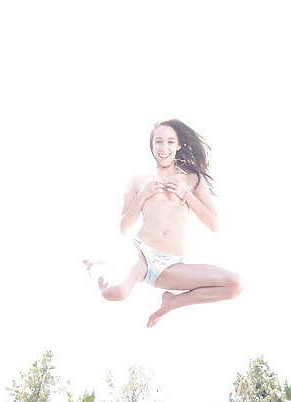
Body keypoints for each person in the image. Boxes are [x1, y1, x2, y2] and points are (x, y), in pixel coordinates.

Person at [85, 119, 243, 328]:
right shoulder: (138, 180)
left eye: (170, 142)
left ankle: (173, 302)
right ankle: (95, 267)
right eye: (159, 142)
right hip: (141, 253)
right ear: (152, 146)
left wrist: (187, 195)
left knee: (235, 285)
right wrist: (142, 195)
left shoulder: (193, 180)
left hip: (171, 265)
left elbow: (213, 224)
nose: (164, 148)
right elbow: (124, 228)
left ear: (178, 145)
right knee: (116, 293)